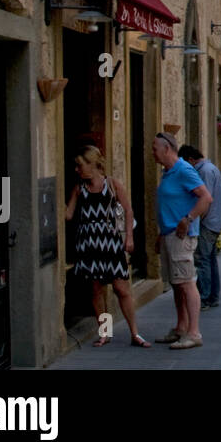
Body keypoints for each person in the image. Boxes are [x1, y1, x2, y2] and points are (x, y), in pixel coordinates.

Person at [64, 146, 149, 348]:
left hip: (110, 242)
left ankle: (135, 333)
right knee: (97, 290)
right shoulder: (79, 189)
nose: (77, 170)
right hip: (89, 243)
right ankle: (105, 333)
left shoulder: (112, 184)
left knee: (122, 288)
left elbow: (128, 210)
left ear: (93, 164)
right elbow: (68, 214)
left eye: (80, 165)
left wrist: (129, 237)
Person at [151, 132, 213, 350]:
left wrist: (188, 219)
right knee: (177, 284)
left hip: (181, 237)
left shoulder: (184, 169)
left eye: (154, 148)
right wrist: (161, 234)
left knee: (187, 283)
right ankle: (181, 327)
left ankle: (194, 332)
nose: (152, 152)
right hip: (169, 234)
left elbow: (206, 197)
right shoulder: (167, 173)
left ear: (167, 148)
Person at [179, 145, 221, 311]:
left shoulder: (203, 171)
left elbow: (205, 199)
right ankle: (213, 295)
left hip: (206, 223)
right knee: (210, 260)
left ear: (191, 159)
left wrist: (194, 219)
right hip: (214, 221)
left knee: (203, 261)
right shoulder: (212, 168)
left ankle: (204, 297)